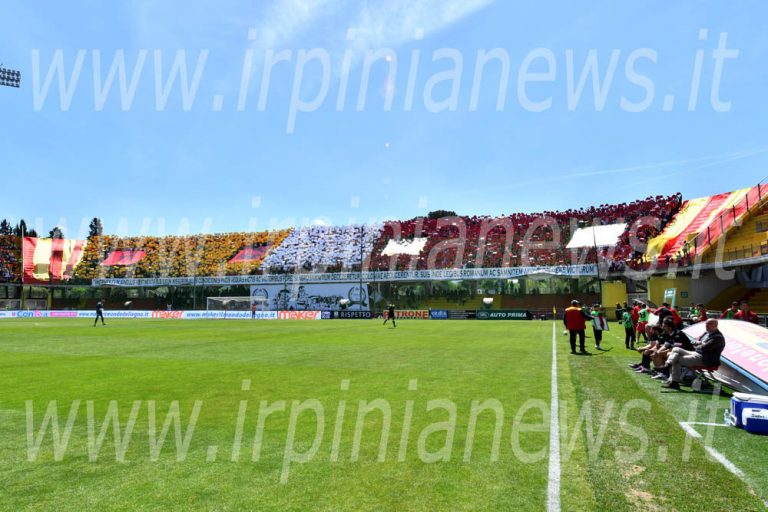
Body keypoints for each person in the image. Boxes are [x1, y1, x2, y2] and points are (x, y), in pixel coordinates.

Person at [662, 318, 726, 390]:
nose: (706, 326)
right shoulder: (706, 333)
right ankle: (667, 365)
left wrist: (699, 344)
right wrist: (699, 343)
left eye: (709, 324)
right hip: (697, 353)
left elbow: (704, 347)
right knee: (676, 349)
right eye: (706, 324)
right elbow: (694, 341)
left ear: (715, 325)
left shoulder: (718, 337)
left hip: (706, 359)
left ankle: (674, 382)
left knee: (676, 359)